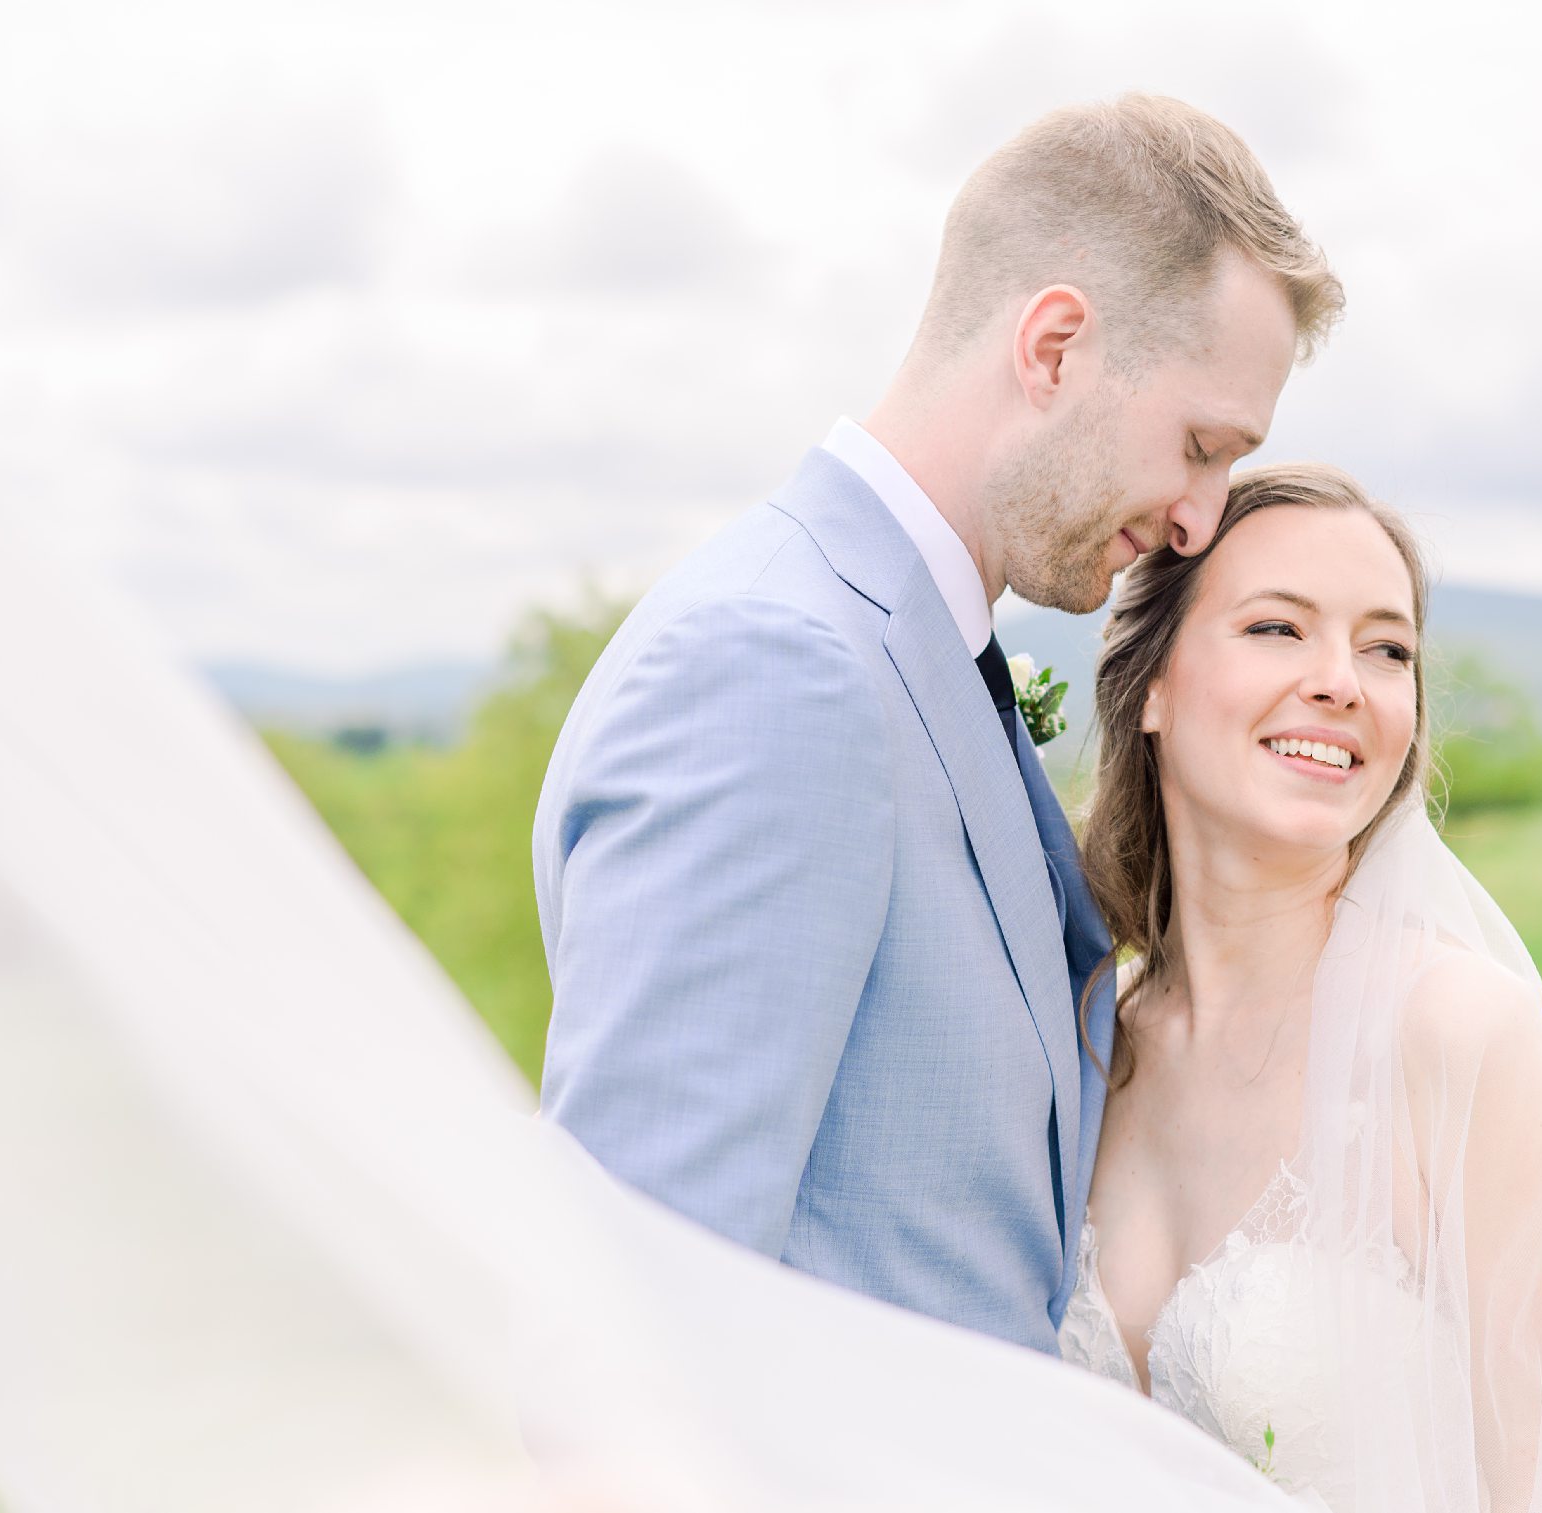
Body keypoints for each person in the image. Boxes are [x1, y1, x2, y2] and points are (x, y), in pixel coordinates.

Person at [534, 93, 1343, 1353]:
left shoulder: (922, 651)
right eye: (1198, 443)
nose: (1199, 518)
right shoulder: (774, 669)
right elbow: (628, 1336)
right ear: (1055, 346)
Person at [1058, 465, 1542, 1510]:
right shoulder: (1092, 1045)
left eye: (1387, 650)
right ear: (1151, 683)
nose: (1342, 680)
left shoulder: (1460, 1038)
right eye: (1278, 629)